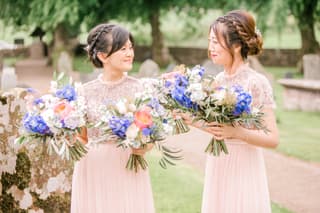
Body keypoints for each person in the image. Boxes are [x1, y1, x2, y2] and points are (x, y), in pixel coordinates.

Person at [186, 10, 279, 213]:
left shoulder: (255, 82)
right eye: (210, 41)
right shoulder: (218, 80)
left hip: (244, 164)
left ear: (236, 46)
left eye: (216, 42)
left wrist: (237, 133)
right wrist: (187, 118)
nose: (211, 48)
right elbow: (218, 128)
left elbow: (272, 138)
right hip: (218, 163)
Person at [71, 23, 155, 213]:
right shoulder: (84, 92)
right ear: (102, 56)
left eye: (131, 47)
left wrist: (144, 147)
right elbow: (82, 138)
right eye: (123, 48)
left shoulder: (140, 89)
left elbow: (150, 136)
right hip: (92, 167)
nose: (130, 53)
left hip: (128, 164)